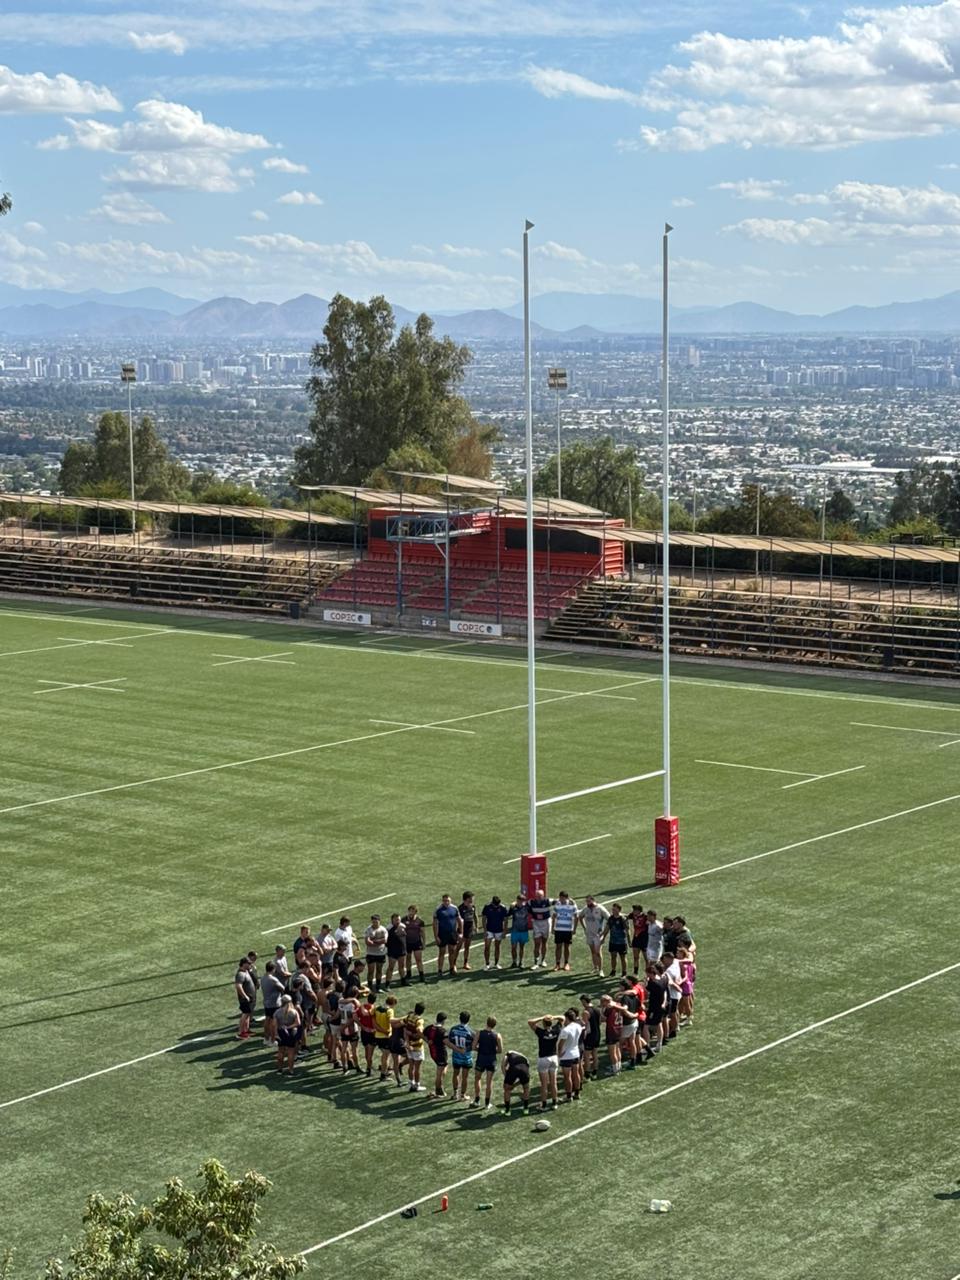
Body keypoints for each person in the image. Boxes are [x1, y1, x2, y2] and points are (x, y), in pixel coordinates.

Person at [528, 1015, 561, 1108]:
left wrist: (542, 1017)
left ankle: (544, 1104)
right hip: (554, 1058)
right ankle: (555, 1103)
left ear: (543, 1023)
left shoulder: (541, 1032)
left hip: (543, 1059)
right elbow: (562, 1018)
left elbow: (530, 1022)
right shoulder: (556, 1030)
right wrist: (553, 1017)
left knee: (544, 1084)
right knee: (553, 1083)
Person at [472, 1016, 503, 1110]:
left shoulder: (479, 1033)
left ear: (487, 1023)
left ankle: (477, 1100)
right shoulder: (497, 1035)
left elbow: (473, 1047)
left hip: (481, 1059)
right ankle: (487, 1103)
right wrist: (492, 1052)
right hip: (491, 1060)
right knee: (489, 1082)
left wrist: (480, 1050)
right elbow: (500, 1050)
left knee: (477, 1079)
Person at [446, 1011, 476, 1102]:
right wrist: (466, 1049)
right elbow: (474, 1045)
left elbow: (450, 1041)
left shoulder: (453, 1029)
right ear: (468, 1019)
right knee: (465, 1077)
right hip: (466, 1057)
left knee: (455, 1074)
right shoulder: (470, 1032)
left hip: (456, 1056)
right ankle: (463, 1095)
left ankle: (455, 1093)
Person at [579, 896, 610, 977]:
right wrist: (584, 928)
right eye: (586, 902)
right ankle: (595, 967)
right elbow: (580, 916)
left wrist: (603, 932)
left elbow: (609, 919)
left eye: (589, 901)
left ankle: (601, 970)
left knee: (598, 952)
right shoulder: (586, 909)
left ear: (593, 900)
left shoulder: (600, 908)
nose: (587, 903)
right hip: (589, 934)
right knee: (592, 951)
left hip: (597, 935)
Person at [557, 1008, 584, 1101]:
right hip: (575, 1053)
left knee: (567, 1076)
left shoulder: (566, 1030)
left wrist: (559, 1054)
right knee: (576, 1074)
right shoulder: (578, 1026)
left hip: (566, 1056)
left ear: (567, 1018)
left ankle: (568, 1096)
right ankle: (577, 1093)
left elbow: (561, 1044)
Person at [433, 894, 462, 978]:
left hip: (452, 933)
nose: (446, 902)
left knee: (452, 951)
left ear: (450, 900)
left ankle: (451, 968)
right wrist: (436, 936)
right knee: (442, 952)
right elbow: (434, 924)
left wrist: (460, 932)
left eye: (448, 901)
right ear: (442, 901)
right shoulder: (438, 909)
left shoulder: (454, 908)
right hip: (442, 934)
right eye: (444, 901)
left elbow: (459, 920)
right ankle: (440, 970)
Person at [260, 960, 286, 1047]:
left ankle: (266, 1038)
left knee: (267, 1020)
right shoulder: (273, 979)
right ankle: (273, 1039)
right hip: (274, 1003)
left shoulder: (263, 978)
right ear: (273, 969)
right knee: (273, 1023)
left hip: (266, 1002)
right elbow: (282, 988)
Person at [403, 1001, 427, 1092]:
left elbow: (405, 1027)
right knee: (417, 1067)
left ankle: (411, 1082)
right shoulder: (419, 1020)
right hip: (417, 1046)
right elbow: (419, 1030)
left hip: (409, 1045)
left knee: (411, 1065)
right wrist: (425, 1038)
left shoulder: (409, 1016)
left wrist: (407, 1040)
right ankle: (417, 1085)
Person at [601, 903, 630, 977]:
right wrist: (602, 937)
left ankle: (624, 972)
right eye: (612, 909)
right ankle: (613, 971)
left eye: (614, 909)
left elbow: (627, 930)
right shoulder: (611, 918)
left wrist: (629, 941)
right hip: (613, 941)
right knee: (613, 956)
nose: (613, 910)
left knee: (623, 957)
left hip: (621, 942)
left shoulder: (622, 919)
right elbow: (607, 929)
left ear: (619, 910)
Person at [275, 994, 302, 1074]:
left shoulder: (277, 1012)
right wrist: (289, 1027)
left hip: (281, 1032)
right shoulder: (294, 1012)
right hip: (291, 1033)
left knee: (281, 1051)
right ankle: (291, 1070)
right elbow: (298, 1023)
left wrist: (276, 1034)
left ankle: (280, 1069)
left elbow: (274, 1025)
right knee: (291, 1052)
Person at [552, 892, 579, 971]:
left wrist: (574, 929)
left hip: (568, 929)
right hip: (558, 929)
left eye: (562, 898)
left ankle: (566, 963)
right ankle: (557, 964)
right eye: (560, 897)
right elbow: (554, 916)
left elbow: (576, 917)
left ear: (566, 898)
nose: (561, 899)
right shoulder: (557, 905)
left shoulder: (572, 906)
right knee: (558, 947)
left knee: (567, 947)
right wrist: (552, 928)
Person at [645, 961, 667, 1055]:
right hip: (660, 1006)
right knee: (659, 1024)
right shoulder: (663, 979)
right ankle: (659, 1044)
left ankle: (647, 1046)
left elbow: (647, 993)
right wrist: (664, 1002)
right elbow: (665, 991)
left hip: (654, 1008)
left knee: (646, 1026)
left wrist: (645, 984)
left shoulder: (653, 984)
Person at [500, 1049, 531, 1116]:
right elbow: (525, 1076)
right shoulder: (524, 1058)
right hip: (524, 1070)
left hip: (514, 1069)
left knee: (507, 1089)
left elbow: (503, 1065)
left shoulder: (508, 1054)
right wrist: (514, 1085)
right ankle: (526, 1109)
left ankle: (507, 1111)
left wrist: (507, 1078)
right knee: (526, 1088)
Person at [481, 895, 509, 970]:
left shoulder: (503, 908)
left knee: (497, 946)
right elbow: (484, 919)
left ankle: (496, 963)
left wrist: (504, 931)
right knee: (487, 947)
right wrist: (485, 930)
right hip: (489, 929)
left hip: (499, 930)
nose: (497, 906)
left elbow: (506, 920)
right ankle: (487, 964)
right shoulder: (487, 907)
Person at [528, 890, 553, 970]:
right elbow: (523, 904)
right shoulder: (531, 902)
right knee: (537, 943)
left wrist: (570, 901)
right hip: (536, 923)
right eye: (537, 896)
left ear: (543, 896)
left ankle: (543, 960)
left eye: (540, 896)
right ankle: (536, 962)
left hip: (546, 923)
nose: (538, 897)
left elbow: (558, 901)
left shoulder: (547, 901)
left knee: (544, 942)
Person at [578, 993, 601, 1082]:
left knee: (586, 1056)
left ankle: (587, 1074)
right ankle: (595, 1072)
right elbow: (599, 1022)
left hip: (589, 1036)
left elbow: (584, 1025)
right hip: (597, 1033)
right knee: (595, 1053)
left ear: (584, 1001)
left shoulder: (586, 1012)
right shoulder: (597, 1009)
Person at [426, 1011, 449, 1097]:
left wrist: (428, 1041)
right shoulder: (442, 1031)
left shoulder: (429, 1028)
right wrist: (457, 1049)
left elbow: (422, 1034)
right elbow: (447, 1043)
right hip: (441, 1054)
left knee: (443, 1069)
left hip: (433, 1053)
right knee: (440, 1072)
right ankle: (439, 1090)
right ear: (443, 1021)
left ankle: (439, 1088)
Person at [599, 994, 623, 1075]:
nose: (602, 1004)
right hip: (619, 1029)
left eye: (602, 1002)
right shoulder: (618, 1004)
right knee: (617, 1049)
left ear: (606, 1001)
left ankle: (615, 1070)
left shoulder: (609, 1008)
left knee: (612, 1052)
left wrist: (602, 1010)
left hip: (611, 1030)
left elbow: (603, 1019)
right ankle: (619, 1067)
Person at [364, 915, 388, 991]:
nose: (375, 923)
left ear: (379, 921)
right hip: (371, 953)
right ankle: (370, 986)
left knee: (379, 970)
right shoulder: (368, 929)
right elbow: (367, 942)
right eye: (373, 922)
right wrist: (379, 941)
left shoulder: (383, 929)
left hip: (381, 953)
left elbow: (385, 940)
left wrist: (373, 941)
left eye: (376, 922)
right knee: (370, 971)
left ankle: (378, 986)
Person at [373, 996, 395, 1081]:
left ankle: (385, 1069)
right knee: (386, 1055)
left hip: (377, 1035)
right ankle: (383, 1074)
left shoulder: (377, 1008)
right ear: (393, 1003)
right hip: (386, 1036)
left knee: (385, 1054)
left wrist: (379, 1029)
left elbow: (373, 1019)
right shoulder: (389, 1011)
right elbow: (391, 1021)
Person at [233, 958, 255, 1040]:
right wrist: (245, 996)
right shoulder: (240, 974)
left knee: (248, 1014)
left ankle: (246, 1030)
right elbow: (238, 986)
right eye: (248, 963)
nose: (250, 965)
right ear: (244, 964)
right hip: (245, 999)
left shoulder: (246, 971)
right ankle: (240, 1032)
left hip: (249, 998)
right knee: (245, 1014)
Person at [339, 991, 361, 1073]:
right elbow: (353, 1018)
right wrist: (361, 1025)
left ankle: (344, 1067)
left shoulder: (340, 1003)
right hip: (352, 1029)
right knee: (354, 1050)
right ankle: (357, 1066)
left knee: (343, 1049)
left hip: (343, 1027)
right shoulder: (352, 1005)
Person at [507, 894, 531, 969]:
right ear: (517, 900)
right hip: (515, 930)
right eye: (519, 900)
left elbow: (533, 911)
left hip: (523, 930)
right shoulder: (513, 908)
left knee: (522, 947)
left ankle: (521, 962)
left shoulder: (527, 907)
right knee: (513, 947)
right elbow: (507, 915)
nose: (520, 902)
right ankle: (514, 962)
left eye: (522, 901)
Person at [404, 905, 427, 982]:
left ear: (415, 912)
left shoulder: (420, 921)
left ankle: (421, 975)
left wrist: (424, 943)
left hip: (417, 942)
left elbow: (422, 933)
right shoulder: (403, 920)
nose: (410, 912)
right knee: (408, 958)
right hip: (407, 943)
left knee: (418, 959)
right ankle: (408, 973)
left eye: (412, 911)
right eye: (409, 910)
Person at [385, 913, 408, 988]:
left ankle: (403, 981)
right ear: (392, 920)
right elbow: (386, 941)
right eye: (396, 920)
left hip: (401, 950)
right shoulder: (388, 929)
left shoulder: (403, 926)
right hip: (393, 951)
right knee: (391, 967)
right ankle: (387, 984)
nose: (398, 921)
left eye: (398, 919)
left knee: (402, 966)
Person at [457, 892, 478, 971]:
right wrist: (459, 932)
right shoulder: (460, 908)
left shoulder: (473, 907)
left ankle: (465, 963)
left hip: (469, 930)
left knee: (467, 947)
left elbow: (475, 916)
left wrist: (476, 926)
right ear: (467, 899)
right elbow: (457, 921)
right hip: (462, 930)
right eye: (472, 898)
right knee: (458, 947)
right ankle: (454, 963)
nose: (473, 900)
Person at [358, 993, 377, 1076]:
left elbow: (355, 1016)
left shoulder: (362, 1007)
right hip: (372, 1033)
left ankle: (368, 1066)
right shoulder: (375, 1009)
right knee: (370, 1053)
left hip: (363, 1032)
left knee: (366, 1050)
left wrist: (362, 1026)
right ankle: (368, 1068)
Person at [678, 945, 696, 1024]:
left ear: (682, 954)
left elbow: (684, 976)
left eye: (678, 953)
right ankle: (685, 1016)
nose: (677, 954)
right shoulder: (690, 964)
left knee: (686, 1003)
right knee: (683, 1003)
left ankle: (689, 1019)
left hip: (684, 985)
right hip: (689, 984)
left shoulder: (683, 965)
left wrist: (680, 982)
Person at [629, 904, 647, 976]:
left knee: (647, 959)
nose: (633, 911)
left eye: (634, 910)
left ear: (638, 911)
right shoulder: (632, 915)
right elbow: (625, 917)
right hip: (636, 939)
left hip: (644, 940)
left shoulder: (645, 917)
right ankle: (635, 972)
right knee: (636, 957)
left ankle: (647, 974)